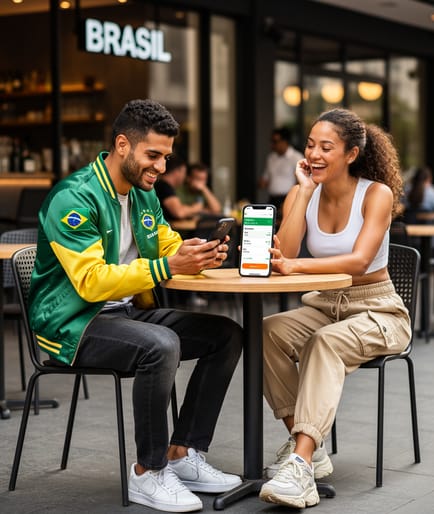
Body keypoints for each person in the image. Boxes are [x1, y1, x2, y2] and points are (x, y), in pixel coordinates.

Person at [29, 99, 243, 512]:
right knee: (159, 344)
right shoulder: (73, 198)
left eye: (166, 157)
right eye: (154, 155)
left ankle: (183, 454)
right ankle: (148, 472)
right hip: (73, 323)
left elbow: (165, 245)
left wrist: (196, 254)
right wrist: (167, 264)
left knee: (226, 334)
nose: (161, 168)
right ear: (122, 145)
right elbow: (91, 283)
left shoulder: (143, 196)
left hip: (128, 312)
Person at [258, 108, 411, 509]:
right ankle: (305, 448)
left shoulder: (376, 194)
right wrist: (304, 192)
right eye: (311, 145)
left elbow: (359, 261)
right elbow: (284, 253)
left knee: (323, 343)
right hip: (325, 303)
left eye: (327, 147)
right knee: (267, 331)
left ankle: (300, 464)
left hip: (378, 310)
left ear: (351, 153)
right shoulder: (301, 192)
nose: (315, 154)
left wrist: (296, 266)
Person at [259, 127, 304, 214]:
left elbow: (300, 181)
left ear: (285, 141)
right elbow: (265, 179)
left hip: (289, 198)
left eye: (275, 142)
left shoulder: (296, 157)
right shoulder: (271, 158)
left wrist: (293, 198)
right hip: (272, 199)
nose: (272, 145)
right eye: (272, 141)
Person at [155, 154, 205, 221]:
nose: (184, 177)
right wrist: (196, 208)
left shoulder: (163, 185)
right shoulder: (164, 187)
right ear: (177, 171)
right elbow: (179, 212)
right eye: (184, 172)